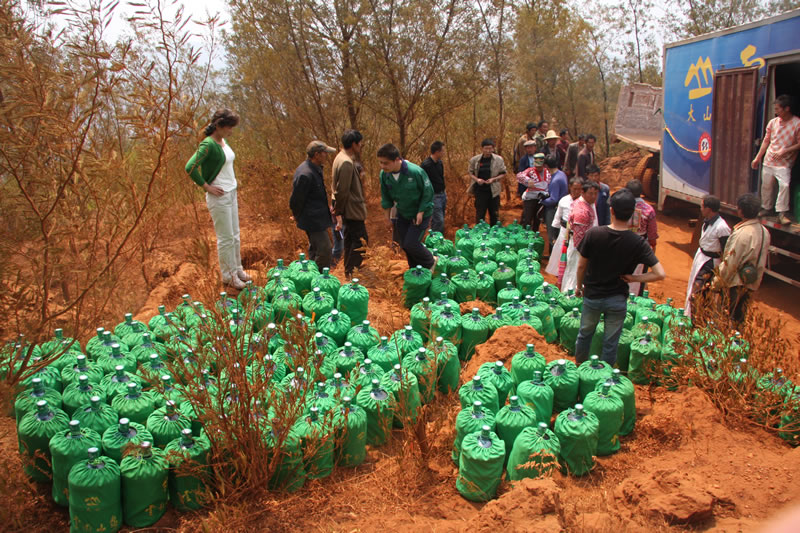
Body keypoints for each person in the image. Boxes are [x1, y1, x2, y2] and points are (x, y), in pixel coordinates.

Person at [574, 189, 666, 365]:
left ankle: (581, 369)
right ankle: (607, 375)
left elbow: (581, 266)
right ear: (632, 214)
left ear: (612, 211)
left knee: (585, 334)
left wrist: (579, 287)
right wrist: (634, 278)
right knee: (611, 342)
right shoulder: (638, 242)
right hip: (617, 299)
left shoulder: (594, 234)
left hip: (593, 296)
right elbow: (660, 274)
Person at [185, 108, 250, 290]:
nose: (231, 131)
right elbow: (190, 167)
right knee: (225, 238)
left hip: (231, 192)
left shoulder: (223, 141)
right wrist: (207, 186)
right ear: (219, 126)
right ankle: (228, 276)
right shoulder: (208, 145)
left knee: (235, 235)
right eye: (229, 127)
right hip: (219, 196)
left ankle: (237, 269)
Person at [712, 193, 770, 325]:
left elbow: (731, 263)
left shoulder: (742, 233)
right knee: (739, 319)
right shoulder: (764, 232)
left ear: (741, 211)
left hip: (735, 283)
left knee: (724, 320)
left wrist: (718, 281)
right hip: (750, 283)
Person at [378, 144, 435, 269]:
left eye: (386, 163)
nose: (382, 166)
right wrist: (387, 218)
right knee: (404, 244)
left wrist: (421, 212)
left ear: (397, 159)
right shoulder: (384, 175)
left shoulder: (415, 172)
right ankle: (414, 269)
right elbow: (386, 197)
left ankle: (430, 262)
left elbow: (428, 192)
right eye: (380, 163)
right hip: (403, 213)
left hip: (420, 213)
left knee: (411, 243)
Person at [752, 94, 800, 225]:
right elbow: (766, 141)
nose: (776, 111)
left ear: (787, 109)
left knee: (784, 185)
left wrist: (785, 150)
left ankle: (781, 213)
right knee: (766, 186)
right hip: (769, 160)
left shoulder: (797, 123)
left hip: (784, 163)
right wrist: (757, 158)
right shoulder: (773, 122)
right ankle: (767, 208)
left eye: (778, 109)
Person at [290, 141, 337, 269]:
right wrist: (297, 216)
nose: (326, 155)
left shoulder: (314, 168)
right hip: (312, 220)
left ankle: (311, 273)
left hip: (318, 217)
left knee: (315, 249)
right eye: (324, 153)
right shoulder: (305, 174)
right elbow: (296, 200)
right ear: (317, 155)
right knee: (325, 250)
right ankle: (319, 276)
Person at [684, 195, 730, 316]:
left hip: (710, 263)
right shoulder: (707, 221)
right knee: (694, 285)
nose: (701, 209)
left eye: (702, 206)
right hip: (701, 258)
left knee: (698, 292)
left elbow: (726, 250)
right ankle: (691, 315)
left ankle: (696, 318)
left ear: (708, 209)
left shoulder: (722, 227)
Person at [332, 129, 368, 278]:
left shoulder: (340, 157)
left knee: (349, 240)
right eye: (359, 143)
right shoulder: (346, 162)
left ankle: (348, 270)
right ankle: (352, 274)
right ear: (353, 144)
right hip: (352, 209)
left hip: (348, 208)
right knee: (361, 242)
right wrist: (338, 210)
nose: (360, 146)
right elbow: (342, 190)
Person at [561, 180, 599, 292]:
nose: (594, 196)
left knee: (573, 270)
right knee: (576, 271)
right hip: (579, 247)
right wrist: (585, 252)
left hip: (579, 244)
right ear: (583, 192)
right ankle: (570, 294)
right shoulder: (582, 212)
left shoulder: (584, 203)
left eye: (595, 194)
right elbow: (579, 237)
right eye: (590, 193)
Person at [624, 179, 659, 295]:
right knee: (639, 276)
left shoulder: (622, 206)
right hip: (641, 246)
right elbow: (652, 234)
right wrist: (652, 246)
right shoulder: (648, 210)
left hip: (622, 243)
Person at [546, 177, 584, 278]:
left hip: (578, 234)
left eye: (579, 189)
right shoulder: (564, 200)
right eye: (574, 189)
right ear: (570, 187)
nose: (577, 192)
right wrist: (554, 235)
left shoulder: (584, 202)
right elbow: (557, 218)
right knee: (561, 253)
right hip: (564, 232)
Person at [468, 138, 507, 226]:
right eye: (486, 148)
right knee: (480, 214)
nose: (488, 151)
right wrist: (477, 179)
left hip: (493, 191)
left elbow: (503, 173)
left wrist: (493, 179)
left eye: (490, 148)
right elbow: (470, 173)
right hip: (480, 190)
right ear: (482, 148)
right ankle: (480, 232)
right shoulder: (475, 160)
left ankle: (494, 232)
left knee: (494, 214)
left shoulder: (498, 159)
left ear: (493, 149)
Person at [516, 152, 550, 231]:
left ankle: (535, 233)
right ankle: (525, 234)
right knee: (527, 218)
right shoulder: (530, 171)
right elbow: (519, 176)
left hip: (541, 198)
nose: (538, 168)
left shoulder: (548, 172)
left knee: (537, 219)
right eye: (536, 166)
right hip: (530, 198)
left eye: (540, 166)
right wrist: (528, 180)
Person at [541, 154, 568, 254]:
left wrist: (542, 200)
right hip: (561, 208)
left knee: (552, 235)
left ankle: (553, 256)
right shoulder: (561, 174)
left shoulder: (556, 180)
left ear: (546, 166)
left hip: (554, 209)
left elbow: (553, 199)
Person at [421, 141, 446, 234]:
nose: (444, 153)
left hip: (442, 194)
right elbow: (422, 182)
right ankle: (435, 239)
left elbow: (441, 177)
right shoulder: (426, 165)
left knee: (439, 219)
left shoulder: (440, 163)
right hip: (434, 196)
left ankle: (438, 236)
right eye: (442, 151)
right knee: (439, 220)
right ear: (437, 152)